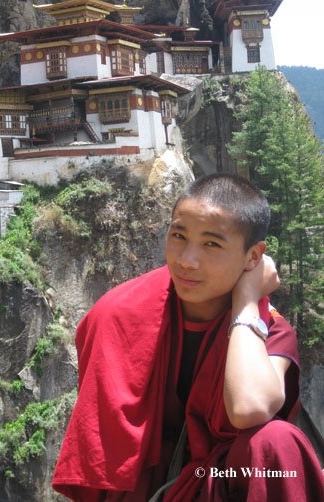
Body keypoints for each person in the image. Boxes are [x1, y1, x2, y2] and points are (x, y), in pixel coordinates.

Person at [52, 173, 324, 502]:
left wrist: (248, 302)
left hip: (217, 483)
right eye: (178, 235)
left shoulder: (270, 328)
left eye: (212, 244)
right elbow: (101, 449)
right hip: (140, 492)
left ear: (253, 257)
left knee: (277, 443)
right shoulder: (119, 314)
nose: (185, 260)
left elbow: (249, 408)